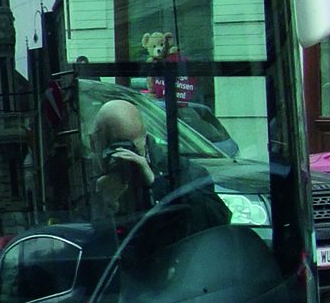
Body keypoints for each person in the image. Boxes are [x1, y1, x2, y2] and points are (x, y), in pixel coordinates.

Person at [87, 99, 227, 243]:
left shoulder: (180, 171)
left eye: (130, 148)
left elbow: (215, 223)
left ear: (145, 141)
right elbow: (81, 242)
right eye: (113, 149)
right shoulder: (80, 176)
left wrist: (156, 185)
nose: (122, 158)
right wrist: (105, 206)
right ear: (92, 143)